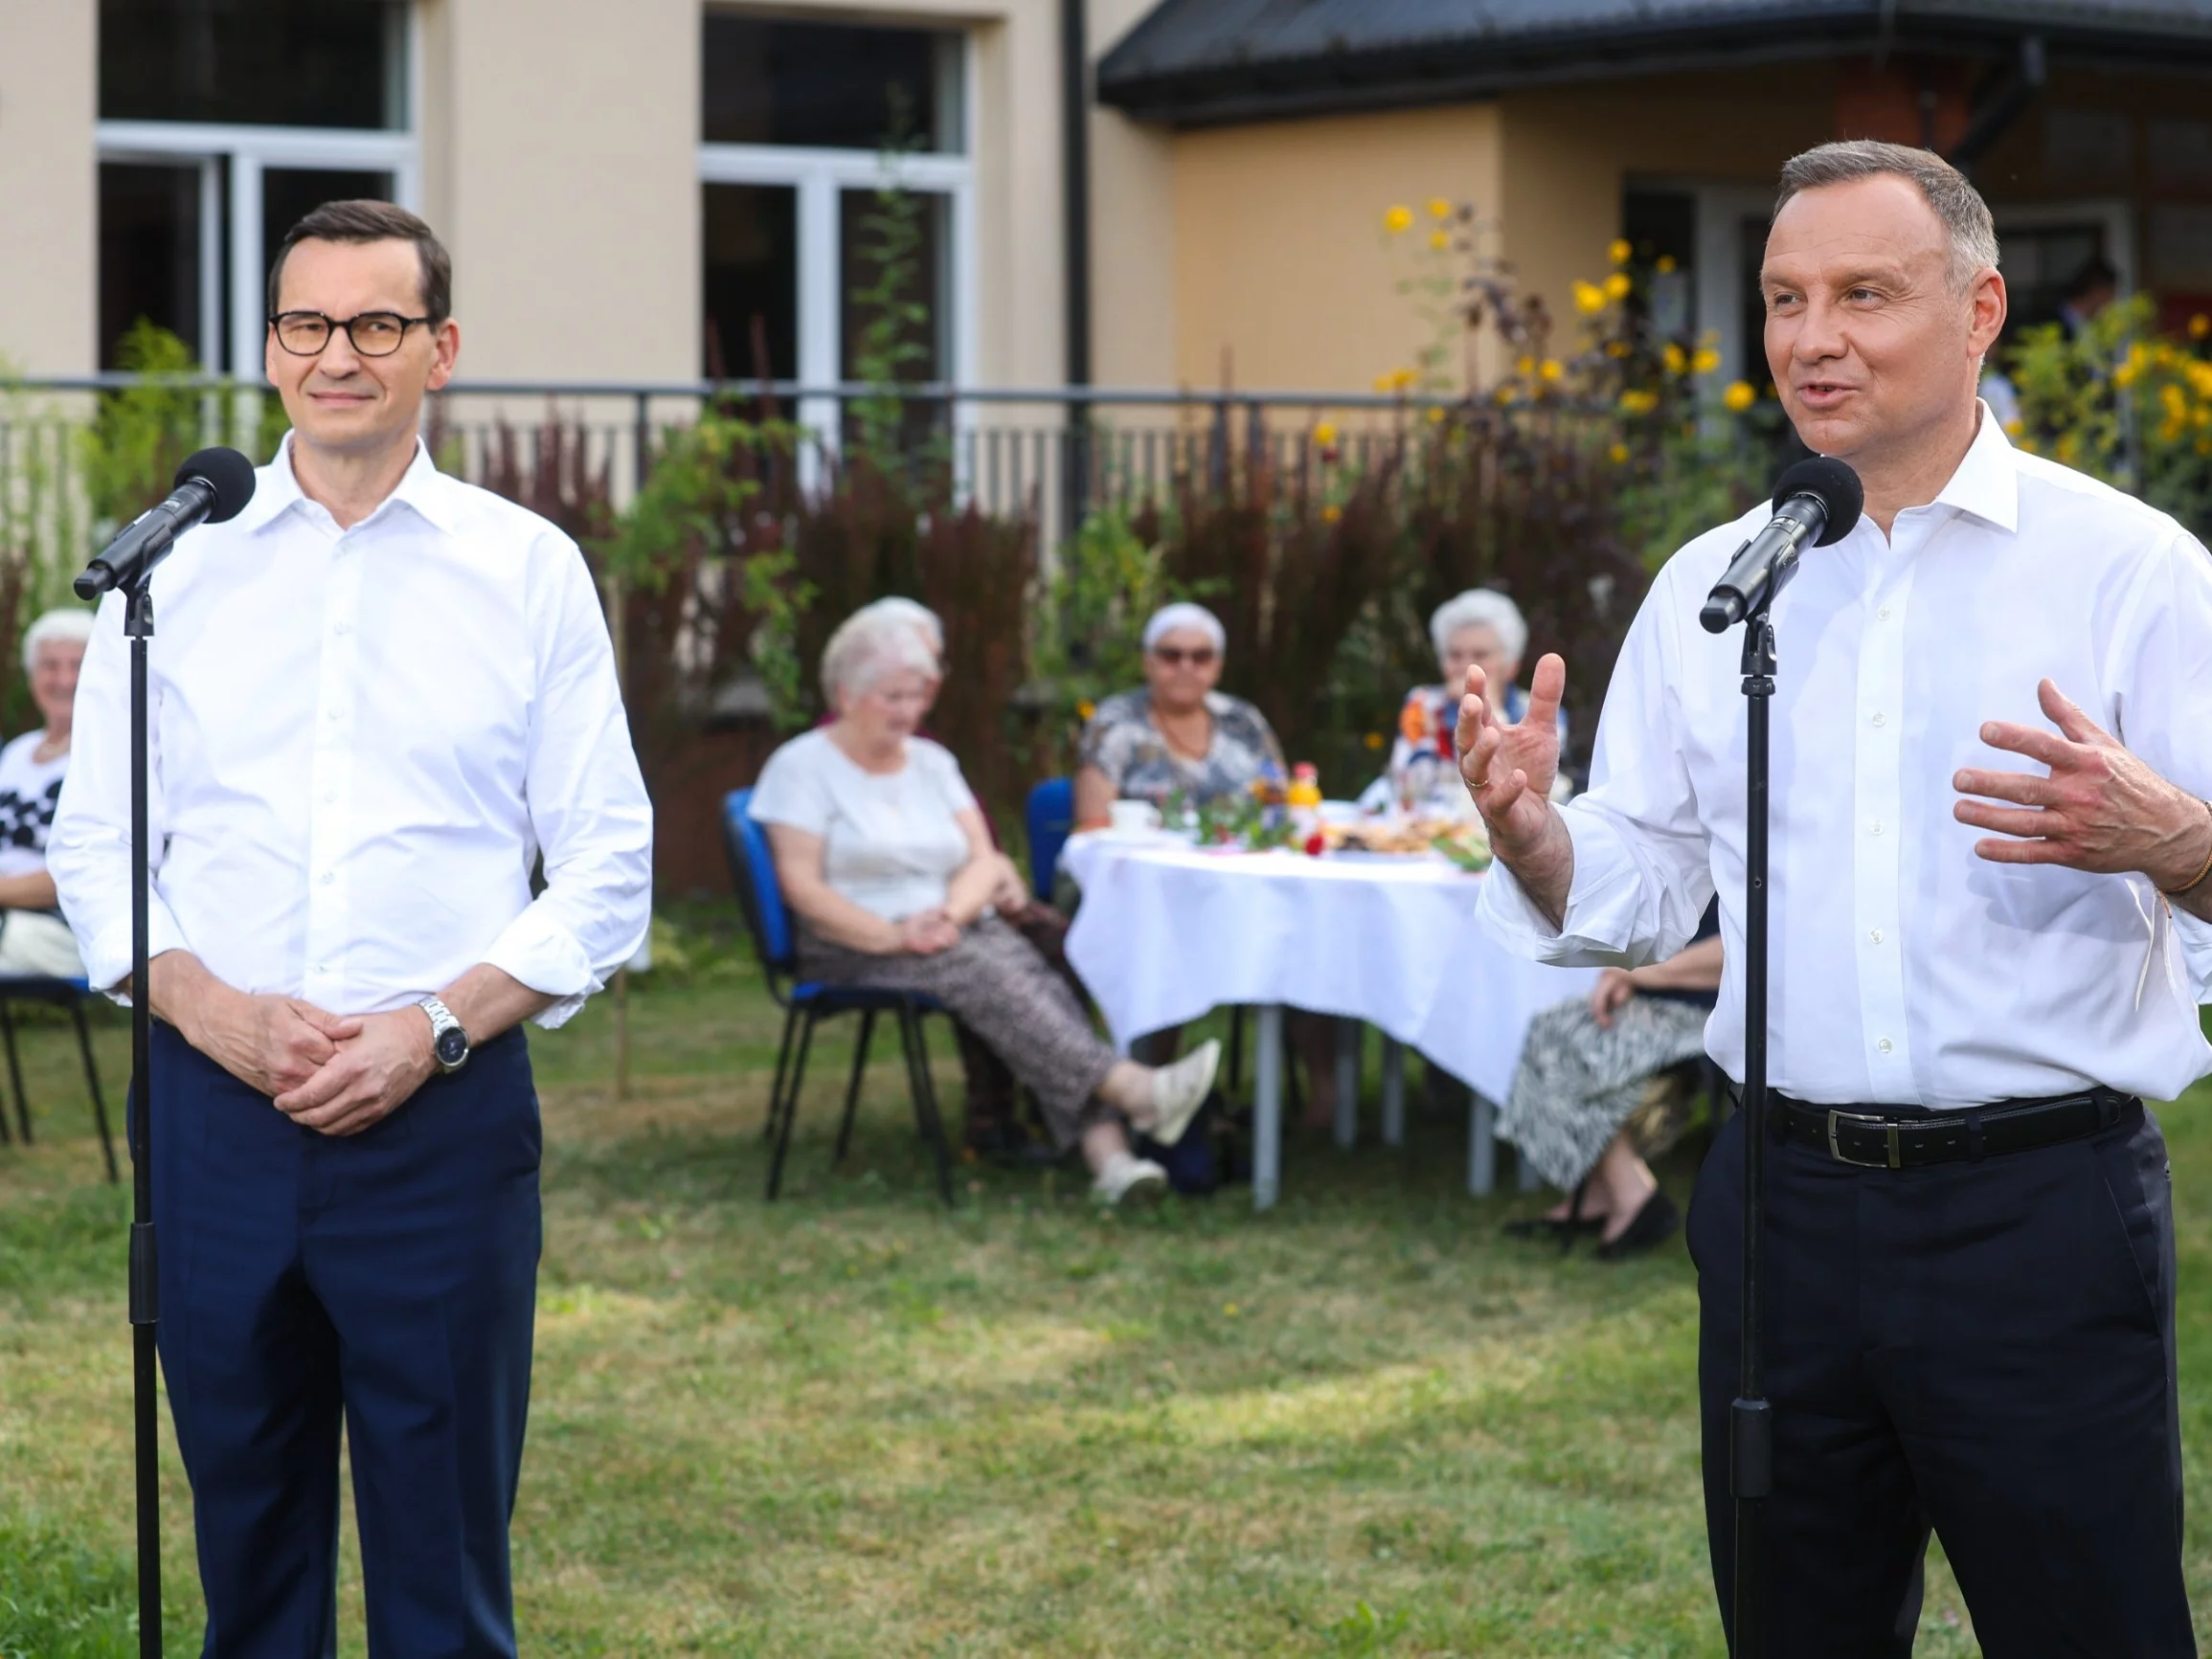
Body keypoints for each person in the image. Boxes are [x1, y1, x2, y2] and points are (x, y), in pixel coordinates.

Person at [1460, 140, 2212, 1654]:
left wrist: (2174, 842)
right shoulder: (1717, 585)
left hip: (2038, 1217)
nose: (1813, 338)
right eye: (1784, 298)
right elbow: (1644, 875)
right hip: (1777, 1220)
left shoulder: (2130, 571)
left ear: (1980, 306)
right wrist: (1534, 833)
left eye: (1864, 294)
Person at [49, 200, 653, 1654]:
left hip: (437, 1127)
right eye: (307, 323)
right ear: (270, 350)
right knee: (248, 1558)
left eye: (377, 324)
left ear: (439, 351)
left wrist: (433, 1025)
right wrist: (214, 1011)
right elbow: (98, 846)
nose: (339, 355)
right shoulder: (171, 569)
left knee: (441, 1571)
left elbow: (610, 863)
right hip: (216, 1116)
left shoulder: (525, 569)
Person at [751, 607, 1221, 1205]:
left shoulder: (932, 763)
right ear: (846, 695)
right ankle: (1132, 1094)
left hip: (949, 923)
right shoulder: (800, 768)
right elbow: (802, 887)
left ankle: (1113, 1160)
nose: (908, 713)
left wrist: (948, 915)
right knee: (992, 974)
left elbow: (983, 858)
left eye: (916, 697)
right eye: (891, 698)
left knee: (1041, 971)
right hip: (852, 940)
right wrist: (894, 936)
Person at [1500, 903, 1721, 1259]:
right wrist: (1622, 975)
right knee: (1554, 1026)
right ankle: (1602, 1193)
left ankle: (1634, 1196)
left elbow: (1739, 950)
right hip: (1661, 992)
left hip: (1712, 1011)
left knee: (1571, 1044)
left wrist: (1637, 973)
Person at [1072, 601, 1285, 824]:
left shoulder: (1242, 720)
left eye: (1201, 656)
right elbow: (1093, 825)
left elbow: (1281, 805)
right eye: (1171, 656)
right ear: (1147, 662)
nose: (1186, 666)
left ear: (1217, 666)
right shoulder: (1114, 721)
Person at [1363, 589, 1567, 817]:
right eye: (1455, 655)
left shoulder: (1538, 713)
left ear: (1511, 666)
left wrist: (1493, 712)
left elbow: (1533, 794)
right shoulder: (1422, 705)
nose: (1467, 667)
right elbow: (1408, 790)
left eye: (1480, 655)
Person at [0, 609, 93, 978]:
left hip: (60, 927)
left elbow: (78, 873)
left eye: (77, 665)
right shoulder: (16, 752)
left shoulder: (104, 754)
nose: (64, 679)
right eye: (50, 665)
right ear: (32, 675)